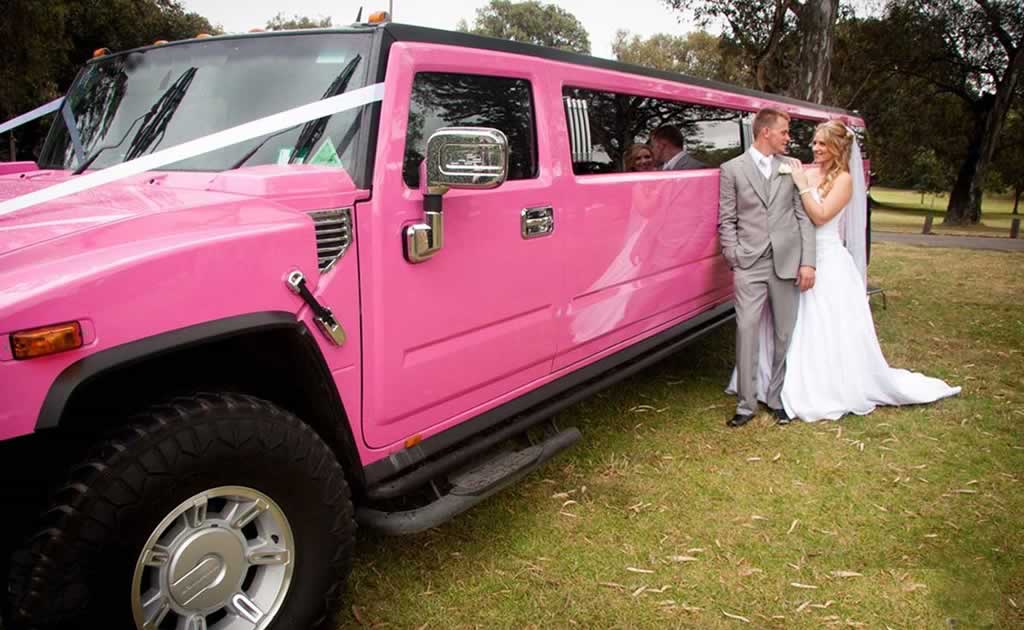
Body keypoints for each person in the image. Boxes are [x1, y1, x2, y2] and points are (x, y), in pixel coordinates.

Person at [768, 121, 960, 421]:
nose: (816, 148)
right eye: (815, 142)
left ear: (838, 148)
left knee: (825, 323)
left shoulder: (844, 180)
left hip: (828, 260)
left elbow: (820, 216)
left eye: (823, 143)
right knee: (792, 321)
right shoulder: (807, 171)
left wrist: (802, 185)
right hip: (797, 256)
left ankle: (824, 386)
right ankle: (779, 381)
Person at [718, 108, 817, 428]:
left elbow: (803, 217)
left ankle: (775, 399)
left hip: (787, 263)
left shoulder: (791, 167)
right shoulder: (731, 169)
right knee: (746, 331)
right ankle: (746, 404)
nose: (789, 137)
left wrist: (808, 262)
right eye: (784, 131)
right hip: (749, 264)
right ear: (765, 132)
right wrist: (733, 254)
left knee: (784, 334)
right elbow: (726, 219)